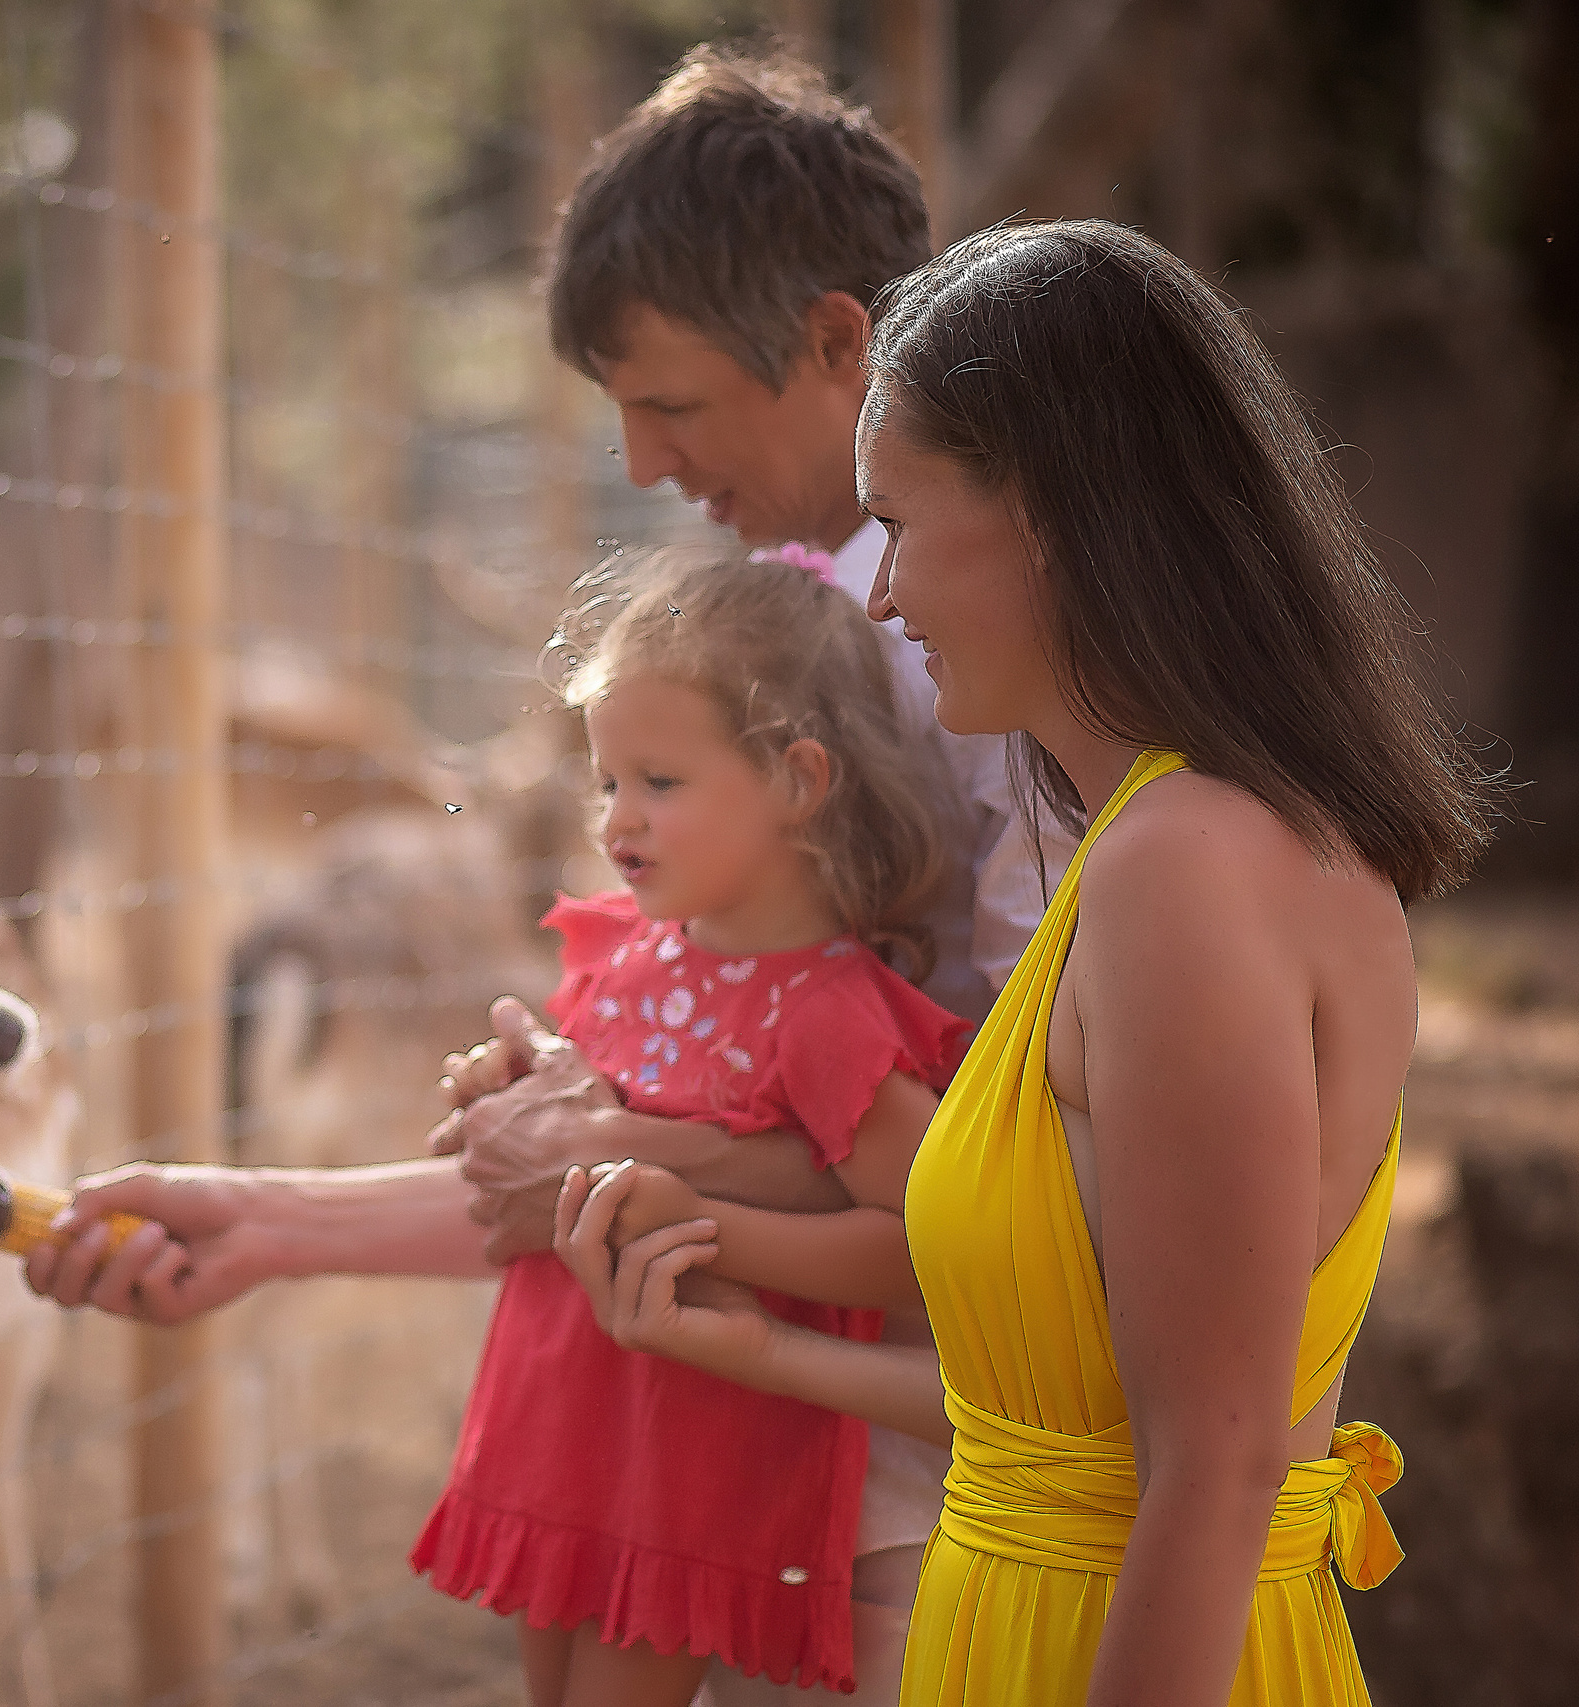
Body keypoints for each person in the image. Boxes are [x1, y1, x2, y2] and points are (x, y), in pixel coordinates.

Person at [29, 47, 1057, 1703]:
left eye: (673, 404)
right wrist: (281, 1218)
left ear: (836, 342)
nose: (644, 463)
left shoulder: (967, 672)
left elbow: (997, 1163)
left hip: (937, 1477)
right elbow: (708, 1130)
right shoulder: (785, 642)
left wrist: (628, 1136)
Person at [550, 218, 1496, 1705]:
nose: (879, 593)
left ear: (1053, 512)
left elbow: (1219, 1459)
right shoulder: (1163, 841)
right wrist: (749, 1338)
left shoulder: (1184, 864)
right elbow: (1085, 1418)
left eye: (902, 525)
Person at [410, 547, 972, 1705]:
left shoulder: (822, 1015)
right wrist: (510, 1092)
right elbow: (582, 1115)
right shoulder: (621, 955)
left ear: (798, 781)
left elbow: (929, 1237)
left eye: (658, 783)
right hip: (565, 1415)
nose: (619, 819)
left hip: (684, 1455)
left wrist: (698, 1222)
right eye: (606, 782)